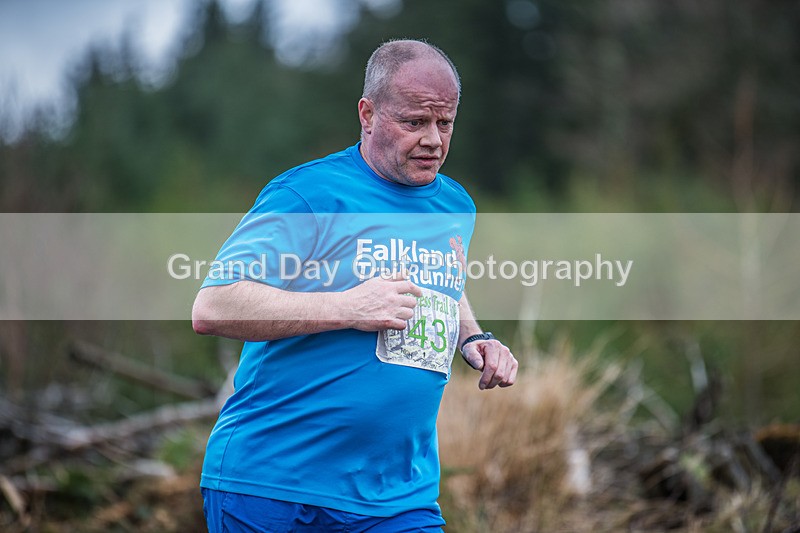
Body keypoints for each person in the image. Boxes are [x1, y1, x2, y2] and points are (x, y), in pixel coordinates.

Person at [192, 39, 517, 533]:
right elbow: (214, 307)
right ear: (367, 113)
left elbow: (441, 282)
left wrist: (471, 336)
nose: (433, 139)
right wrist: (347, 307)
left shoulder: (456, 206)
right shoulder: (308, 194)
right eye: (414, 122)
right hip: (273, 487)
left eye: (444, 123)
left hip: (399, 497)